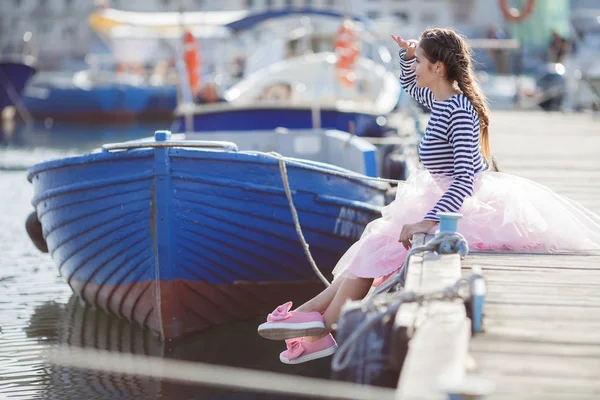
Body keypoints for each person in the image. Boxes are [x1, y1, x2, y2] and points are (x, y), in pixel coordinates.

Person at [257, 28, 600, 365]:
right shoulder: (440, 99)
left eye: (420, 61)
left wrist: (429, 218)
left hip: (462, 205)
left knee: (377, 248)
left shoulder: (460, 111)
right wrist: (408, 56)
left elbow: (465, 178)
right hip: (438, 194)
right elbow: (409, 86)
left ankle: (318, 325)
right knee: (372, 245)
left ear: (437, 67)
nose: (415, 67)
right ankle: (312, 320)